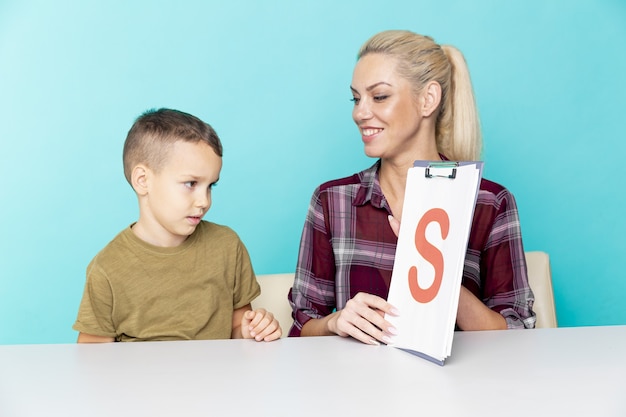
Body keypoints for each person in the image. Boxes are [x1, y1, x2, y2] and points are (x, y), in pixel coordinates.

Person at [288, 30, 535, 345]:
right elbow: (302, 326)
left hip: (464, 389)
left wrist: (436, 274)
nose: (359, 113)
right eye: (356, 98)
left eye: (379, 96)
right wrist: (336, 322)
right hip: (357, 387)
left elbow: (517, 333)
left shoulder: (489, 202)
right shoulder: (332, 201)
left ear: (428, 99)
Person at [73, 108, 282, 343]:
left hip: (216, 378)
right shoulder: (107, 268)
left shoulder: (227, 247)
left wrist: (251, 331)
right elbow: (92, 352)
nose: (204, 201)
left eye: (210, 186)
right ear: (143, 180)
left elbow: (237, 325)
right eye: (191, 183)